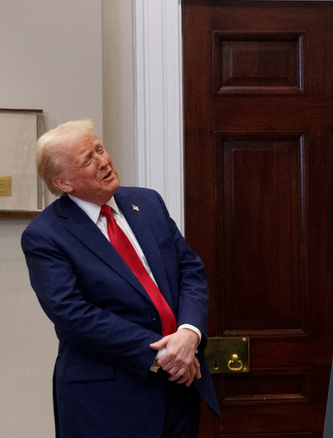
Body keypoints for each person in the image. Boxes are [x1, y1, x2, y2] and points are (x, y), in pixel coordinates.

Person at [21, 119, 220, 437]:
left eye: (99, 149)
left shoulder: (149, 203)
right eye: (87, 159)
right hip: (107, 399)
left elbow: (190, 270)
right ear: (64, 183)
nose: (102, 161)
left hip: (180, 385)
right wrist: (163, 354)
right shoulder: (45, 235)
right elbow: (72, 315)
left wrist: (189, 334)